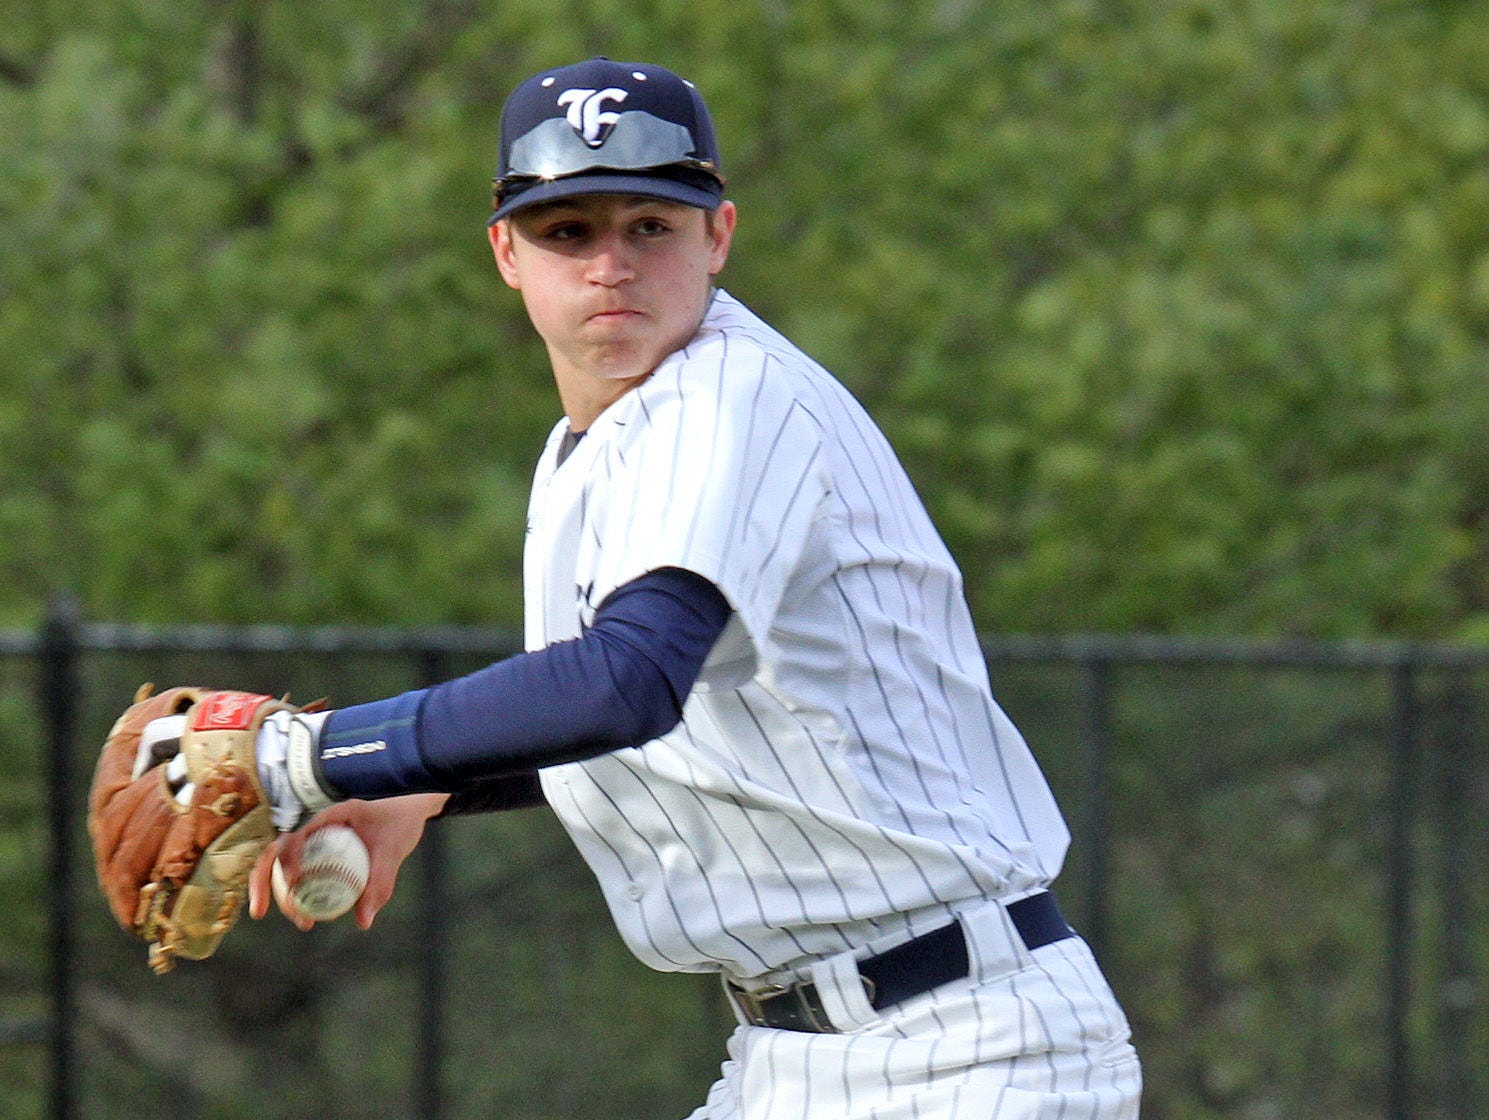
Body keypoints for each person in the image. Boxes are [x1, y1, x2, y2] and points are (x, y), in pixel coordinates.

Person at [241, 56, 1142, 1119]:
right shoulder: (598, 442)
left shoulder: (725, 402)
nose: (610, 263)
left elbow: (626, 684)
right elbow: (655, 716)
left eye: (649, 226)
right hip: (798, 1058)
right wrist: (419, 786)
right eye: (567, 231)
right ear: (506, 254)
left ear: (716, 235)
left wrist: (305, 755)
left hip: (965, 1047)